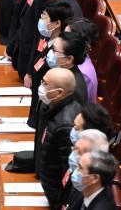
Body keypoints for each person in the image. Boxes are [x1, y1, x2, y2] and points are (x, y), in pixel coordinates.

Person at [36, 67, 84, 207]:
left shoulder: (65, 125)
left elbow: (67, 171)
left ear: (59, 93)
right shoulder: (57, 109)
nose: (42, 87)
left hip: (57, 198)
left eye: (45, 84)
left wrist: (60, 204)